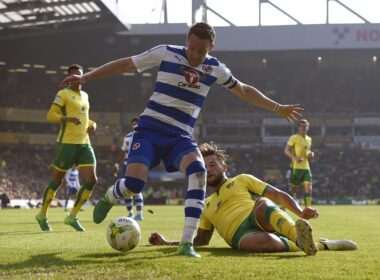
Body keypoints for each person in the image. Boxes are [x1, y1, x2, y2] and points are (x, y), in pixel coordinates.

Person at [60, 22, 304, 257]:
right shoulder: (166, 53)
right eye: (192, 48)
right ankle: (110, 196)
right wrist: (87, 78)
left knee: (198, 173)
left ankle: (186, 244)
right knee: (134, 184)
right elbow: (126, 64)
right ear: (186, 42)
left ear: (211, 49)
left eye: (202, 50)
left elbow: (242, 90)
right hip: (149, 131)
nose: (196, 54)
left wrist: (277, 107)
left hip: (180, 136)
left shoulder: (216, 68)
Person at [149, 142, 357, 255]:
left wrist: (300, 212)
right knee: (261, 243)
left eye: (213, 164)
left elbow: (277, 194)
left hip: (260, 217)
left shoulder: (242, 179)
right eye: (205, 166)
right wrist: (167, 242)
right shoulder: (205, 205)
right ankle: (321, 245)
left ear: (225, 167)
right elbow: (200, 241)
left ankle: (296, 234)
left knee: (262, 203)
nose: (209, 169)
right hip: (242, 236)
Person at [35, 64, 98, 232]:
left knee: (92, 180)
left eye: (80, 75)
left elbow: (85, 118)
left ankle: (72, 216)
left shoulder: (85, 95)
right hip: (67, 144)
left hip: (84, 143)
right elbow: (50, 115)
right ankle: (42, 215)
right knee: (56, 181)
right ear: (69, 78)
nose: (77, 77)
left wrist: (93, 124)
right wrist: (67, 118)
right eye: (74, 75)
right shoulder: (62, 94)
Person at [114, 117, 144, 221]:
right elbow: (123, 151)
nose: (135, 125)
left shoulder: (144, 136)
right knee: (126, 189)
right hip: (127, 165)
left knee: (136, 188)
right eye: (133, 123)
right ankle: (130, 213)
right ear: (131, 125)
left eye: (137, 123)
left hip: (139, 164)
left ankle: (139, 213)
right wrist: (117, 164)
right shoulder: (127, 137)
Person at [284, 119, 314, 206]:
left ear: (308, 127)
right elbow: (286, 150)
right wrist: (294, 157)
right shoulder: (294, 138)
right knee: (294, 190)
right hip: (296, 167)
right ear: (299, 128)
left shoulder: (309, 139)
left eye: (305, 126)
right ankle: (284, 205)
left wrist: (310, 154)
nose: (303, 128)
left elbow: (307, 151)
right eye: (302, 126)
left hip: (306, 167)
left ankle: (308, 208)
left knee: (309, 188)